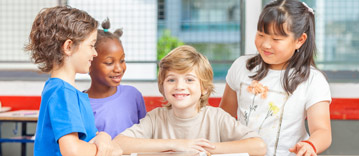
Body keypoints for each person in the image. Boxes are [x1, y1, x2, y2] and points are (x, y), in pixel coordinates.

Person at [219, 0, 331, 156]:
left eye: (276, 39)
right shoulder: (241, 67)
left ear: (300, 40)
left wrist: (310, 145)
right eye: (261, 34)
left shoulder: (313, 80)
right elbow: (224, 118)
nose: (265, 44)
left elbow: (322, 131)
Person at [113, 45, 267, 155]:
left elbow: (258, 146)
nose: (179, 86)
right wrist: (177, 145)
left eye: (189, 80)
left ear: (204, 88)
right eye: (171, 80)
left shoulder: (216, 117)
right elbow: (119, 144)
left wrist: (202, 149)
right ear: (162, 87)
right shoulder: (155, 118)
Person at [26, 6, 121, 155]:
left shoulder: (65, 90)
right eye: (91, 45)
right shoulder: (63, 92)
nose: (95, 53)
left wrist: (101, 137)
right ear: (69, 46)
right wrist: (112, 151)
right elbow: (72, 150)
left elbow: (86, 137)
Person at [86, 18, 147, 139]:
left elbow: (145, 134)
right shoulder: (81, 104)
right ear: (89, 64)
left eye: (122, 60)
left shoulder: (133, 95)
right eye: (109, 63)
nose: (119, 69)